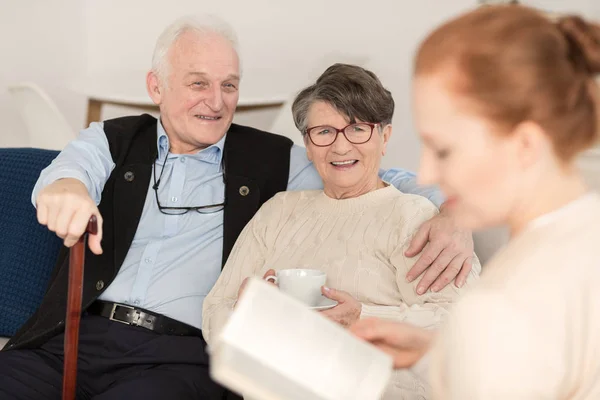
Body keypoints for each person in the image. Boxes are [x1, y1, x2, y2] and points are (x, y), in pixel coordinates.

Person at [0, 15, 474, 400]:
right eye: (198, 83)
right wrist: (67, 189)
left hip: (178, 355)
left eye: (229, 85)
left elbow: (363, 173)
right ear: (157, 86)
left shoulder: (275, 160)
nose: (216, 101)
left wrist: (453, 210)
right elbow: (67, 173)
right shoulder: (112, 139)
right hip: (74, 337)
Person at [351, 5, 600, 399]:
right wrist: (445, 354)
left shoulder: (500, 307)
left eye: (444, 151)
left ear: (525, 145)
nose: (428, 175)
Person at [202, 63, 481, 399]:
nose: (340, 147)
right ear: (307, 144)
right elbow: (214, 309)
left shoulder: (414, 218)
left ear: (384, 137)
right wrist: (250, 312)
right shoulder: (278, 211)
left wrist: (362, 317)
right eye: (323, 132)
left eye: (357, 129)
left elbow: (463, 327)